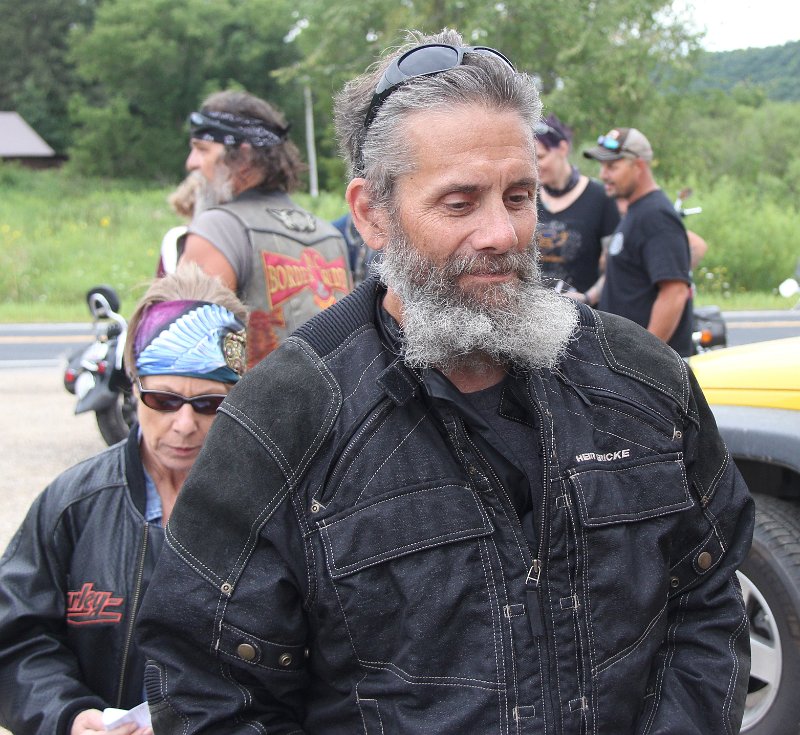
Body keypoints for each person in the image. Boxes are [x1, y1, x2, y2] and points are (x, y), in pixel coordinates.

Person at [136, 29, 753, 734]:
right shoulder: (287, 416)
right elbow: (207, 690)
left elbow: (707, 599)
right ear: (372, 213)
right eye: (460, 203)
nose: (502, 233)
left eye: (518, 196)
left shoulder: (641, 381)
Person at [0, 265, 248, 735]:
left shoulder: (273, 509)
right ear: (133, 388)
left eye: (209, 403)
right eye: (163, 400)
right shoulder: (74, 505)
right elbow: (16, 638)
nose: (184, 424)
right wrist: (70, 716)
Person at [180, 90, 352, 367]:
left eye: (202, 149)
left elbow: (190, 353)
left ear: (243, 157)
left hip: (250, 395)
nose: (192, 162)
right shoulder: (328, 234)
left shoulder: (217, 229)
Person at [583, 127, 694, 356]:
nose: (603, 175)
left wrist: (646, 358)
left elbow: (674, 293)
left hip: (645, 368)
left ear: (639, 166)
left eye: (612, 167)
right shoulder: (637, 212)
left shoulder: (656, 216)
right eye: (602, 166)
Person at [534, 114, 619, 303]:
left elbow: (616, 268)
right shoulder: (526, 198)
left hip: (584, 314)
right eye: (529, 158)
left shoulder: (600, 198)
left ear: (563, 149)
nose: (534, 165)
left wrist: (587, 298)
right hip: (536, 313)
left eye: (540, 157)